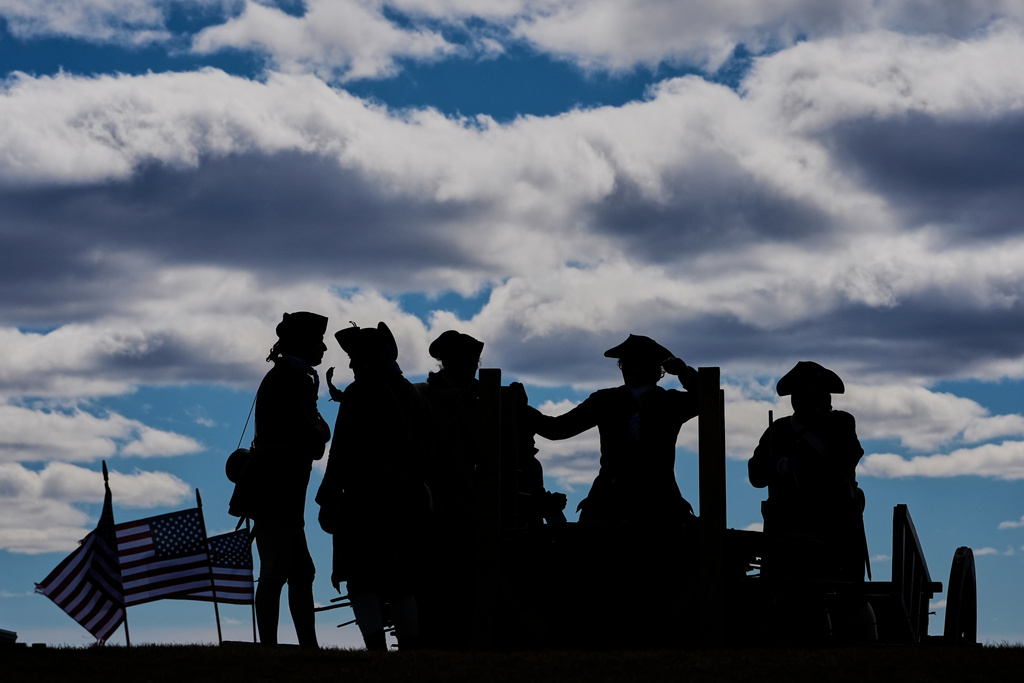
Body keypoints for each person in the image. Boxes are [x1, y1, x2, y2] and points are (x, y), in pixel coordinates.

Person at [316, 322, 429, 651]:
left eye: (355, 356)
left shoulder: (360, 391)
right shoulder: (415, 395)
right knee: (398, 580)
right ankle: (410, 650)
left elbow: (343, 452)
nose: (350, 363)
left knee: (362, 578)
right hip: (408, 500)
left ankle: (376, 653)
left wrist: (327, 498)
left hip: (366, 500)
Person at [529, 334, 699, 525]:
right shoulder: (605, 401)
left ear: (655, 368)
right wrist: (520, 408)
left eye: (637, 361)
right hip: (609, 504)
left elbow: (707, 399)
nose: (629, 367)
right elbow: (557, 429)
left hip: (659, 505)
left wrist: (684, 372)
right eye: (625, 362)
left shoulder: (670, 403)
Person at [748, 361, 869, 584]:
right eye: (796, 390)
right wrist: (778, 466)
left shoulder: (840, 423)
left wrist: (800, 465)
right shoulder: (779, 429)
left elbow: (844, 462)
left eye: (806, 389)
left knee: (845, 591)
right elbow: (756, 476)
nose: (799, 395)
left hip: (833, 525)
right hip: (785, 528)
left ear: (823, 394)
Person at [251, 311, 331, 648]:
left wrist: (317, 432)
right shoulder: (287, 380)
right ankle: (274, 647)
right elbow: (313, 439)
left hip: (284, 494)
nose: (324, 347)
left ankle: (304, 648)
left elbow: (315, 435)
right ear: (303, 344)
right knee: (277, 572)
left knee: (299, 572)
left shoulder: (295, 378)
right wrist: (317, 432)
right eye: (318, 340)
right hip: (276, 492)